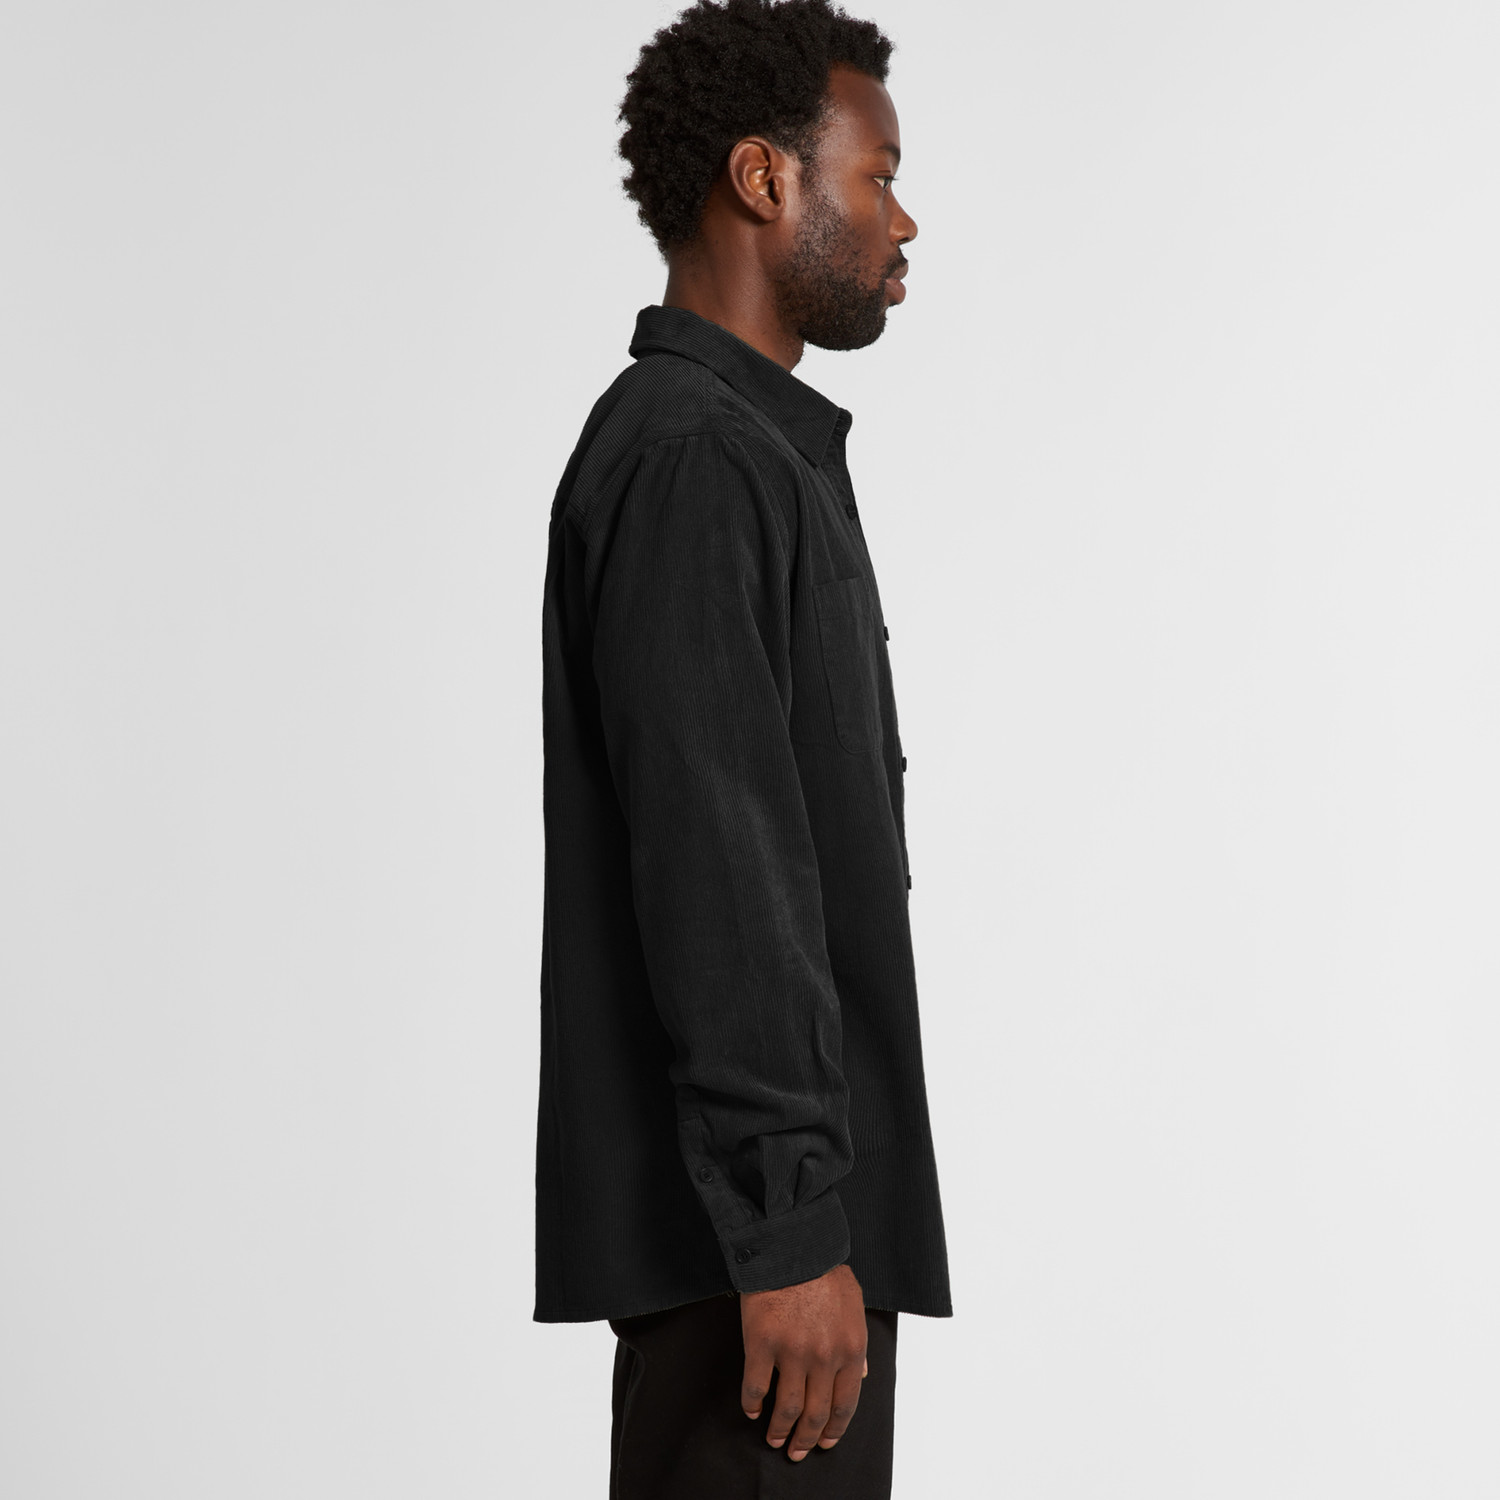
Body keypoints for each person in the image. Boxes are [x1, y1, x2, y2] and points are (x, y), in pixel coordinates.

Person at [535, 1, 951, 1492]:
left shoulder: (749, 454)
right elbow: (721, 868)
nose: (905, 220)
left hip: (779, 1247)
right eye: (877, 175)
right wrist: (788, 1230)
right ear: (764, 179)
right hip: (756, 1268)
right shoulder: (697, 458)